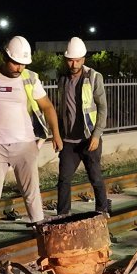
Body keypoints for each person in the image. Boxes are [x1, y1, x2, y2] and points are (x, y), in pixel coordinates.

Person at [0, 35, 62, 251]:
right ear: (4, 56)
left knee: (31, 191)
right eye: (15, 62)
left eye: (23, 63)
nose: (19, 67)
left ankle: (40, 229)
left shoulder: (30, 78)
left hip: (24, 146)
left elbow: (48, 107)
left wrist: (56, 134)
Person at [54, 36, 109, 216]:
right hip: (68, 140)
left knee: (95, 177)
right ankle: (62, 215)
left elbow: (102, 107)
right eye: (70, 60)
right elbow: (61, 108)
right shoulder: (62, 79)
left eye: (77, 60)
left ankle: (102, 211)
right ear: (66, 60)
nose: (73, 64)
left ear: (83, 59)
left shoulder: (94, 77)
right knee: (64, 180)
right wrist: (57, 135)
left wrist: (96, 135)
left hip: (89, 138)